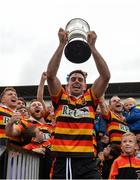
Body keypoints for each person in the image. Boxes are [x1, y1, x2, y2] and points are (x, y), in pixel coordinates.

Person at [46, 28, 110, 179]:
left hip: (88, 159)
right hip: (65, 159)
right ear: (67, 85)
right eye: (73, 79)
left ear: (85, 86)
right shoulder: (60, 97)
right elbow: (50, 75)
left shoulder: (91, 98)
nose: (76, 81)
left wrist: (92, 47)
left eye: (80, 80)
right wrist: (62, 45)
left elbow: (105, 76)